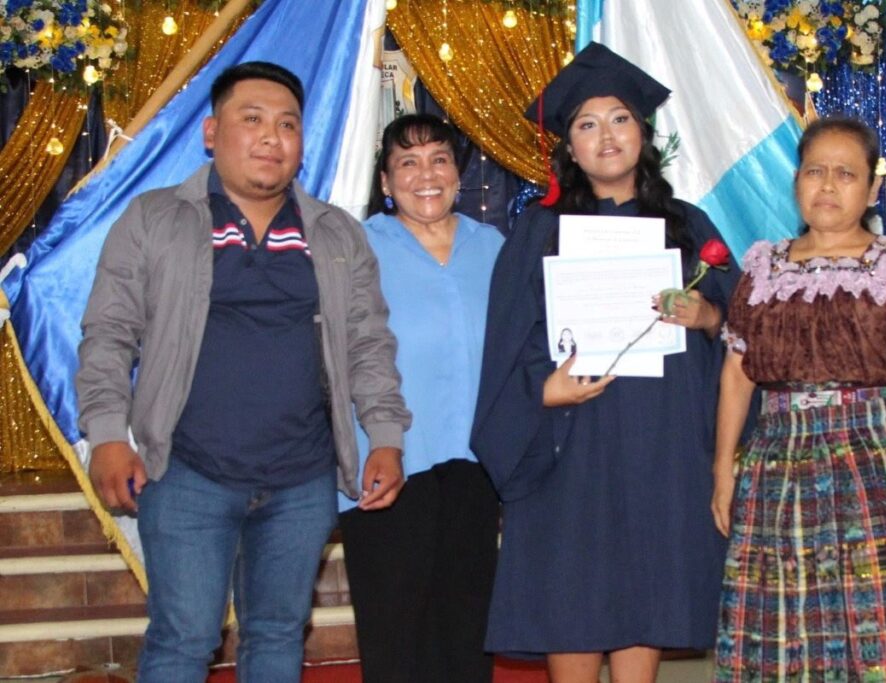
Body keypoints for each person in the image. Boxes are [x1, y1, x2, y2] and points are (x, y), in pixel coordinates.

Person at [75, 61, 411, 683]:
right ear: (212, 133)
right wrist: (108, 436)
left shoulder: (335, 234)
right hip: (186, 472)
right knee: (184, 638)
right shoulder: (154, 219)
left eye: (287, 124)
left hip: (301, 477)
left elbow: (369, 344)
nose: (271, 137)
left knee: (278, 634)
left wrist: (386, 438)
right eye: (251, 119)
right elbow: (108, 335)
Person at [472, 42, 739, 683]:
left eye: (620, 119)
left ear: (643, 133)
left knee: (646, 584)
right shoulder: (537, 231)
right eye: (587, 125)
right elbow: (506, 341)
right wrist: (543, 391)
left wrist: (708, 316)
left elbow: (739, 330)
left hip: (660, 443)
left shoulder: (687, 227)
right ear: (569, 146)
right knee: (572, 587)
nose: (607, 136)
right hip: (571, 441)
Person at [712, 116, 886, 681]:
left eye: (846, 174)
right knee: (779, 623)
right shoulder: (762, 268)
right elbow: (736, 376)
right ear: (796, 182)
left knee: (884, 622)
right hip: (777, 461)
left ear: (873, 189)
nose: (827, 185)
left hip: (879, 459)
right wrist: (724, 469)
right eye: (814, 171)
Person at [337, 113, 504, 683]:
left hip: (476, 467)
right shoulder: (356, 248)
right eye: (407, 163)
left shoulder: (493, 246)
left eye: (439, 160)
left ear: (458, 174)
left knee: (468, 631)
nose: (426, 175)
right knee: (395, 634)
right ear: (385, 182)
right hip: (389, 462)